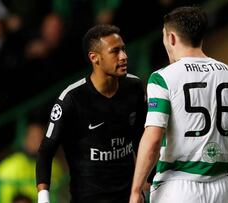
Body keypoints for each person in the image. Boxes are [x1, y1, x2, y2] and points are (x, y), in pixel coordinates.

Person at [129, 6, 228, 203]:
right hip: (222, 187)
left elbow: (153, 140)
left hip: (177, 187)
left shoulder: (162, 78)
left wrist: (135, 190)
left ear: (171, 38)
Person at [36, 24, 147, 203]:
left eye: (124, 49)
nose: (124, 56)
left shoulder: (134, 87)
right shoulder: (71, 99)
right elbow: (46, 150)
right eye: (115, 51)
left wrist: (147, 181)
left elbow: (141, 138)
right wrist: (43, 197)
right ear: (94, 57)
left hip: (128, 197)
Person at [0, 122, 63, 203]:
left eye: (42, 137)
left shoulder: (55, 165)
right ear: (25, 139)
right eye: (33, 138)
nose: (38, 141)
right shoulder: (10, 166)